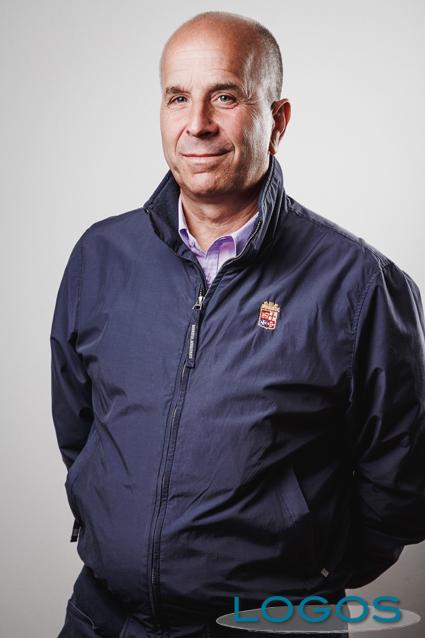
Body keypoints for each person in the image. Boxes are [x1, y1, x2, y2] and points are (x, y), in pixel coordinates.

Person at [50, 10, 425, 638]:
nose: (197, 123)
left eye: (225, 96)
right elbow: (80, 430)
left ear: (278, 121)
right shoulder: (101, 257)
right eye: (178, 97)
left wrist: (311, 571)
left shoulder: (360, 286)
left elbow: (401, 484)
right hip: (103, 619)